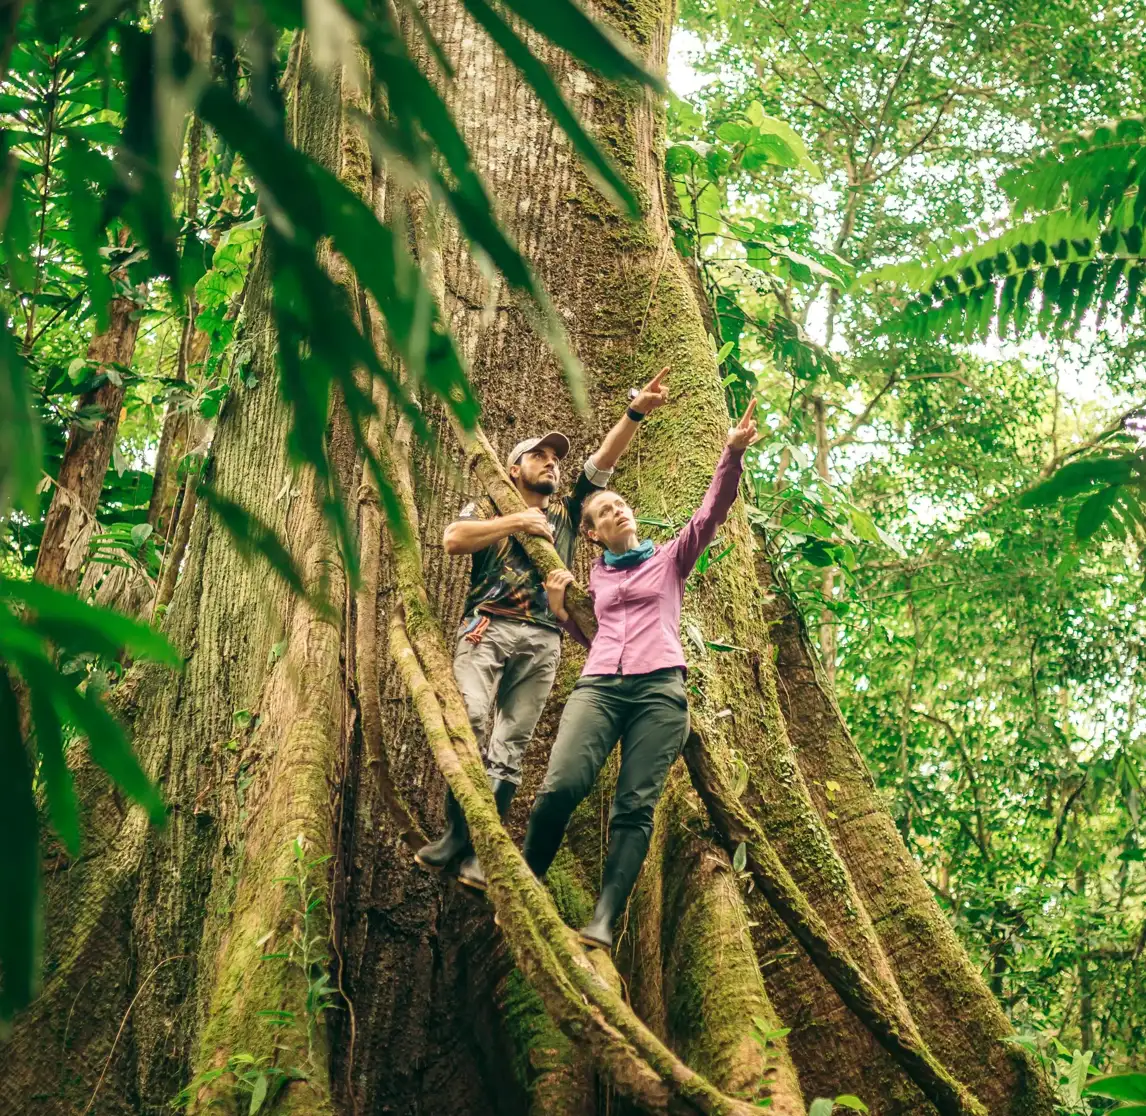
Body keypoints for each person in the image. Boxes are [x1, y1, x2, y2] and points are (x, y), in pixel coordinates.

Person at [415, 368, 672, 889]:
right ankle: (456, 835)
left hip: (543, 639)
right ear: (513, 469)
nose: (551, 464)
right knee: (469, 719)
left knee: (511, 744)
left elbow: (604, 460)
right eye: (540, 457)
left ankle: (479, 852)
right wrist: (517, 523)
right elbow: (453, 538)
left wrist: (636, 411)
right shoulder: (493, 504)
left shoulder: (569, 512)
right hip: (488, 626)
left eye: (556, 460)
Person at [522, 400, 760, 948]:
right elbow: (600, 635)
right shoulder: (596, 580)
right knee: (561, 784)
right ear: (593, 534)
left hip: (659, 693)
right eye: (605, 512)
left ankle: (604, 920)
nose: (619, 512)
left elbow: (711, 513)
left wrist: (733, 452)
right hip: (600, 688)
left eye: (622, 505)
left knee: (634, 808)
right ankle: (526, 880)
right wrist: (562, 614)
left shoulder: (672, 559)